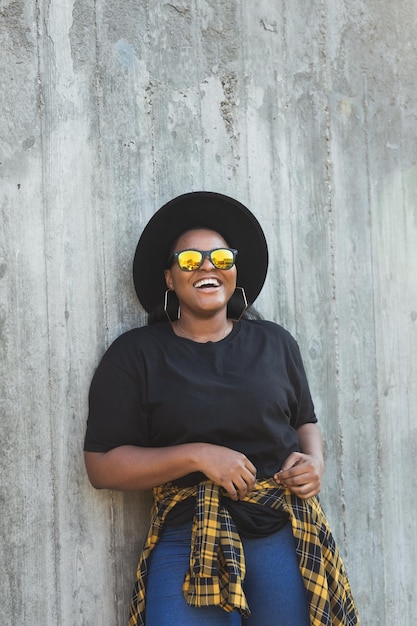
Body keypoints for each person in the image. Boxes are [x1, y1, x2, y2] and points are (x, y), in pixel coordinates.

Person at [84, 192, 359, 626]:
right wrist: (198, 455)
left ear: (234, 270)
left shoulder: (275, 343)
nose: (208, 266)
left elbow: (304, 421)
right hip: (187, 536)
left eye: (221, 256)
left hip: (277, 534)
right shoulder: (135, 354)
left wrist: (315, 461)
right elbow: (102, 467)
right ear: (170, 279)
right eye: (191, 260)